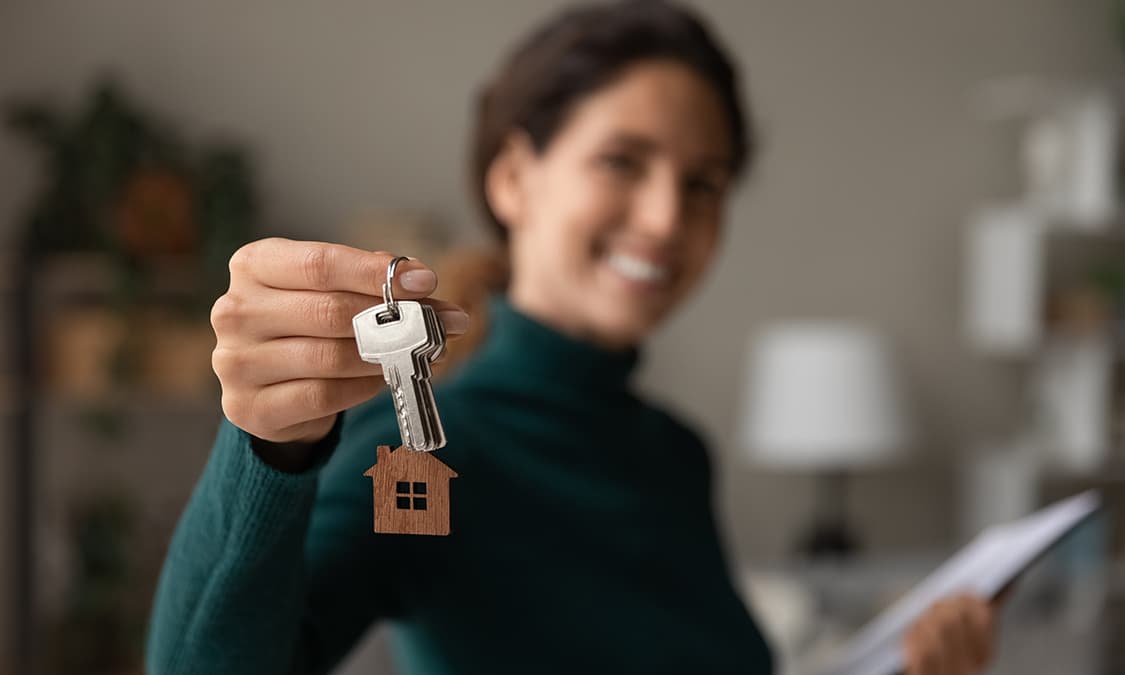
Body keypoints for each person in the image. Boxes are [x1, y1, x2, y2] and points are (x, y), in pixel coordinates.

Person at [147, 2, 999, 674]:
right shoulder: (424, 451)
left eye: (702, 184)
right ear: (515, 178)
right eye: (622, 161)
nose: (667, 218)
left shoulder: (672, 452)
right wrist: (270, 447)